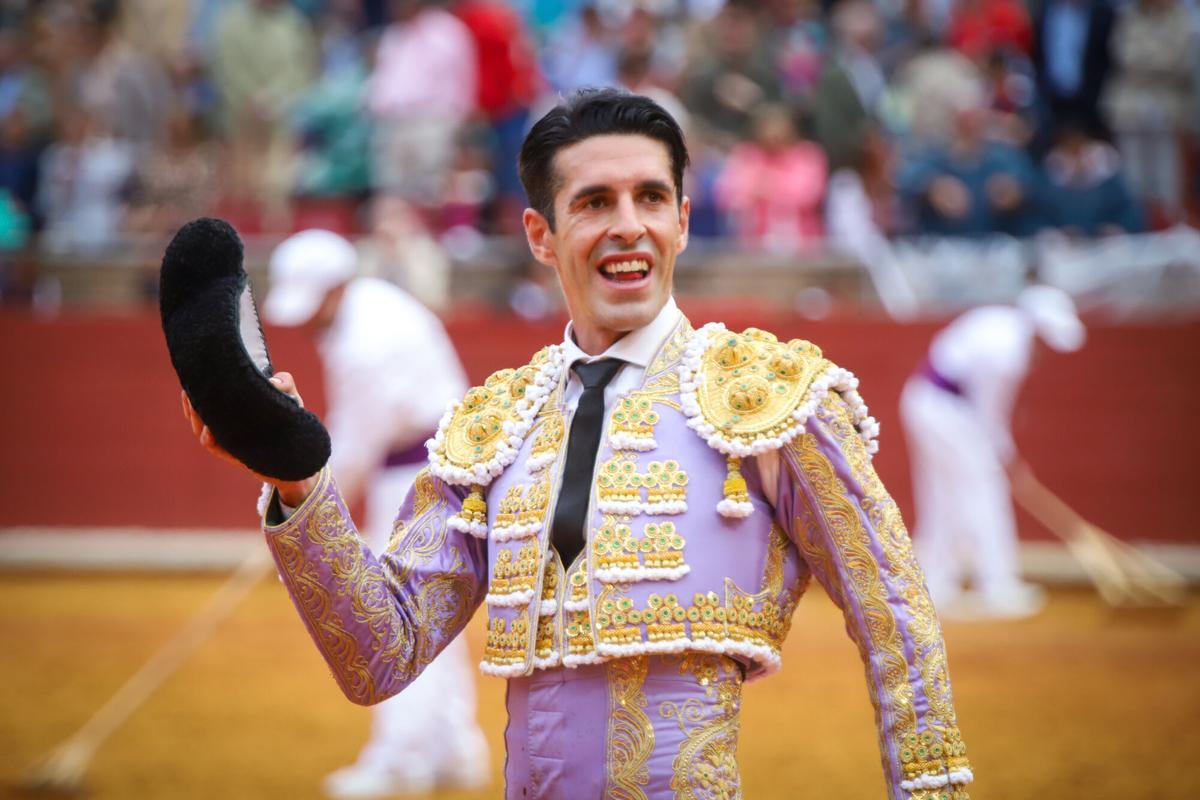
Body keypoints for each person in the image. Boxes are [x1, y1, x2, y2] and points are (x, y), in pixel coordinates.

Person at [184, 89, 974, 799]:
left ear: (684, 220)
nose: (629, 224)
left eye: (651, 197)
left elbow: (893, 612)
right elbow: (381, 654)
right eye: (595, 202)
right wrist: (298, 483)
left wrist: (932, 791)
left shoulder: (769, 398)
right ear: (541, 233)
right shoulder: (496, 427)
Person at [260, 230, 489, 797]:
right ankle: (452, 749)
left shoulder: (362, 340)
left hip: (414, 477)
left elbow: (356, 445)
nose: (308, 319)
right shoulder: (378, 306)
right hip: (444, 470)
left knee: (396, 613)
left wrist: (306, 508)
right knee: (436, 608)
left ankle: (400, 762)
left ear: (336, 287)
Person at [900, 285, 1085, 619]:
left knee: (943, 495)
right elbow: (989, 414)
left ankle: (935, 584)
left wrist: (1005, 455)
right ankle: (997, 586)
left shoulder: (1001, 324)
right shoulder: (1007, 353)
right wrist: (1008, 460)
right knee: (985, 490)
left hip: (929, 402)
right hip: (945, 409)